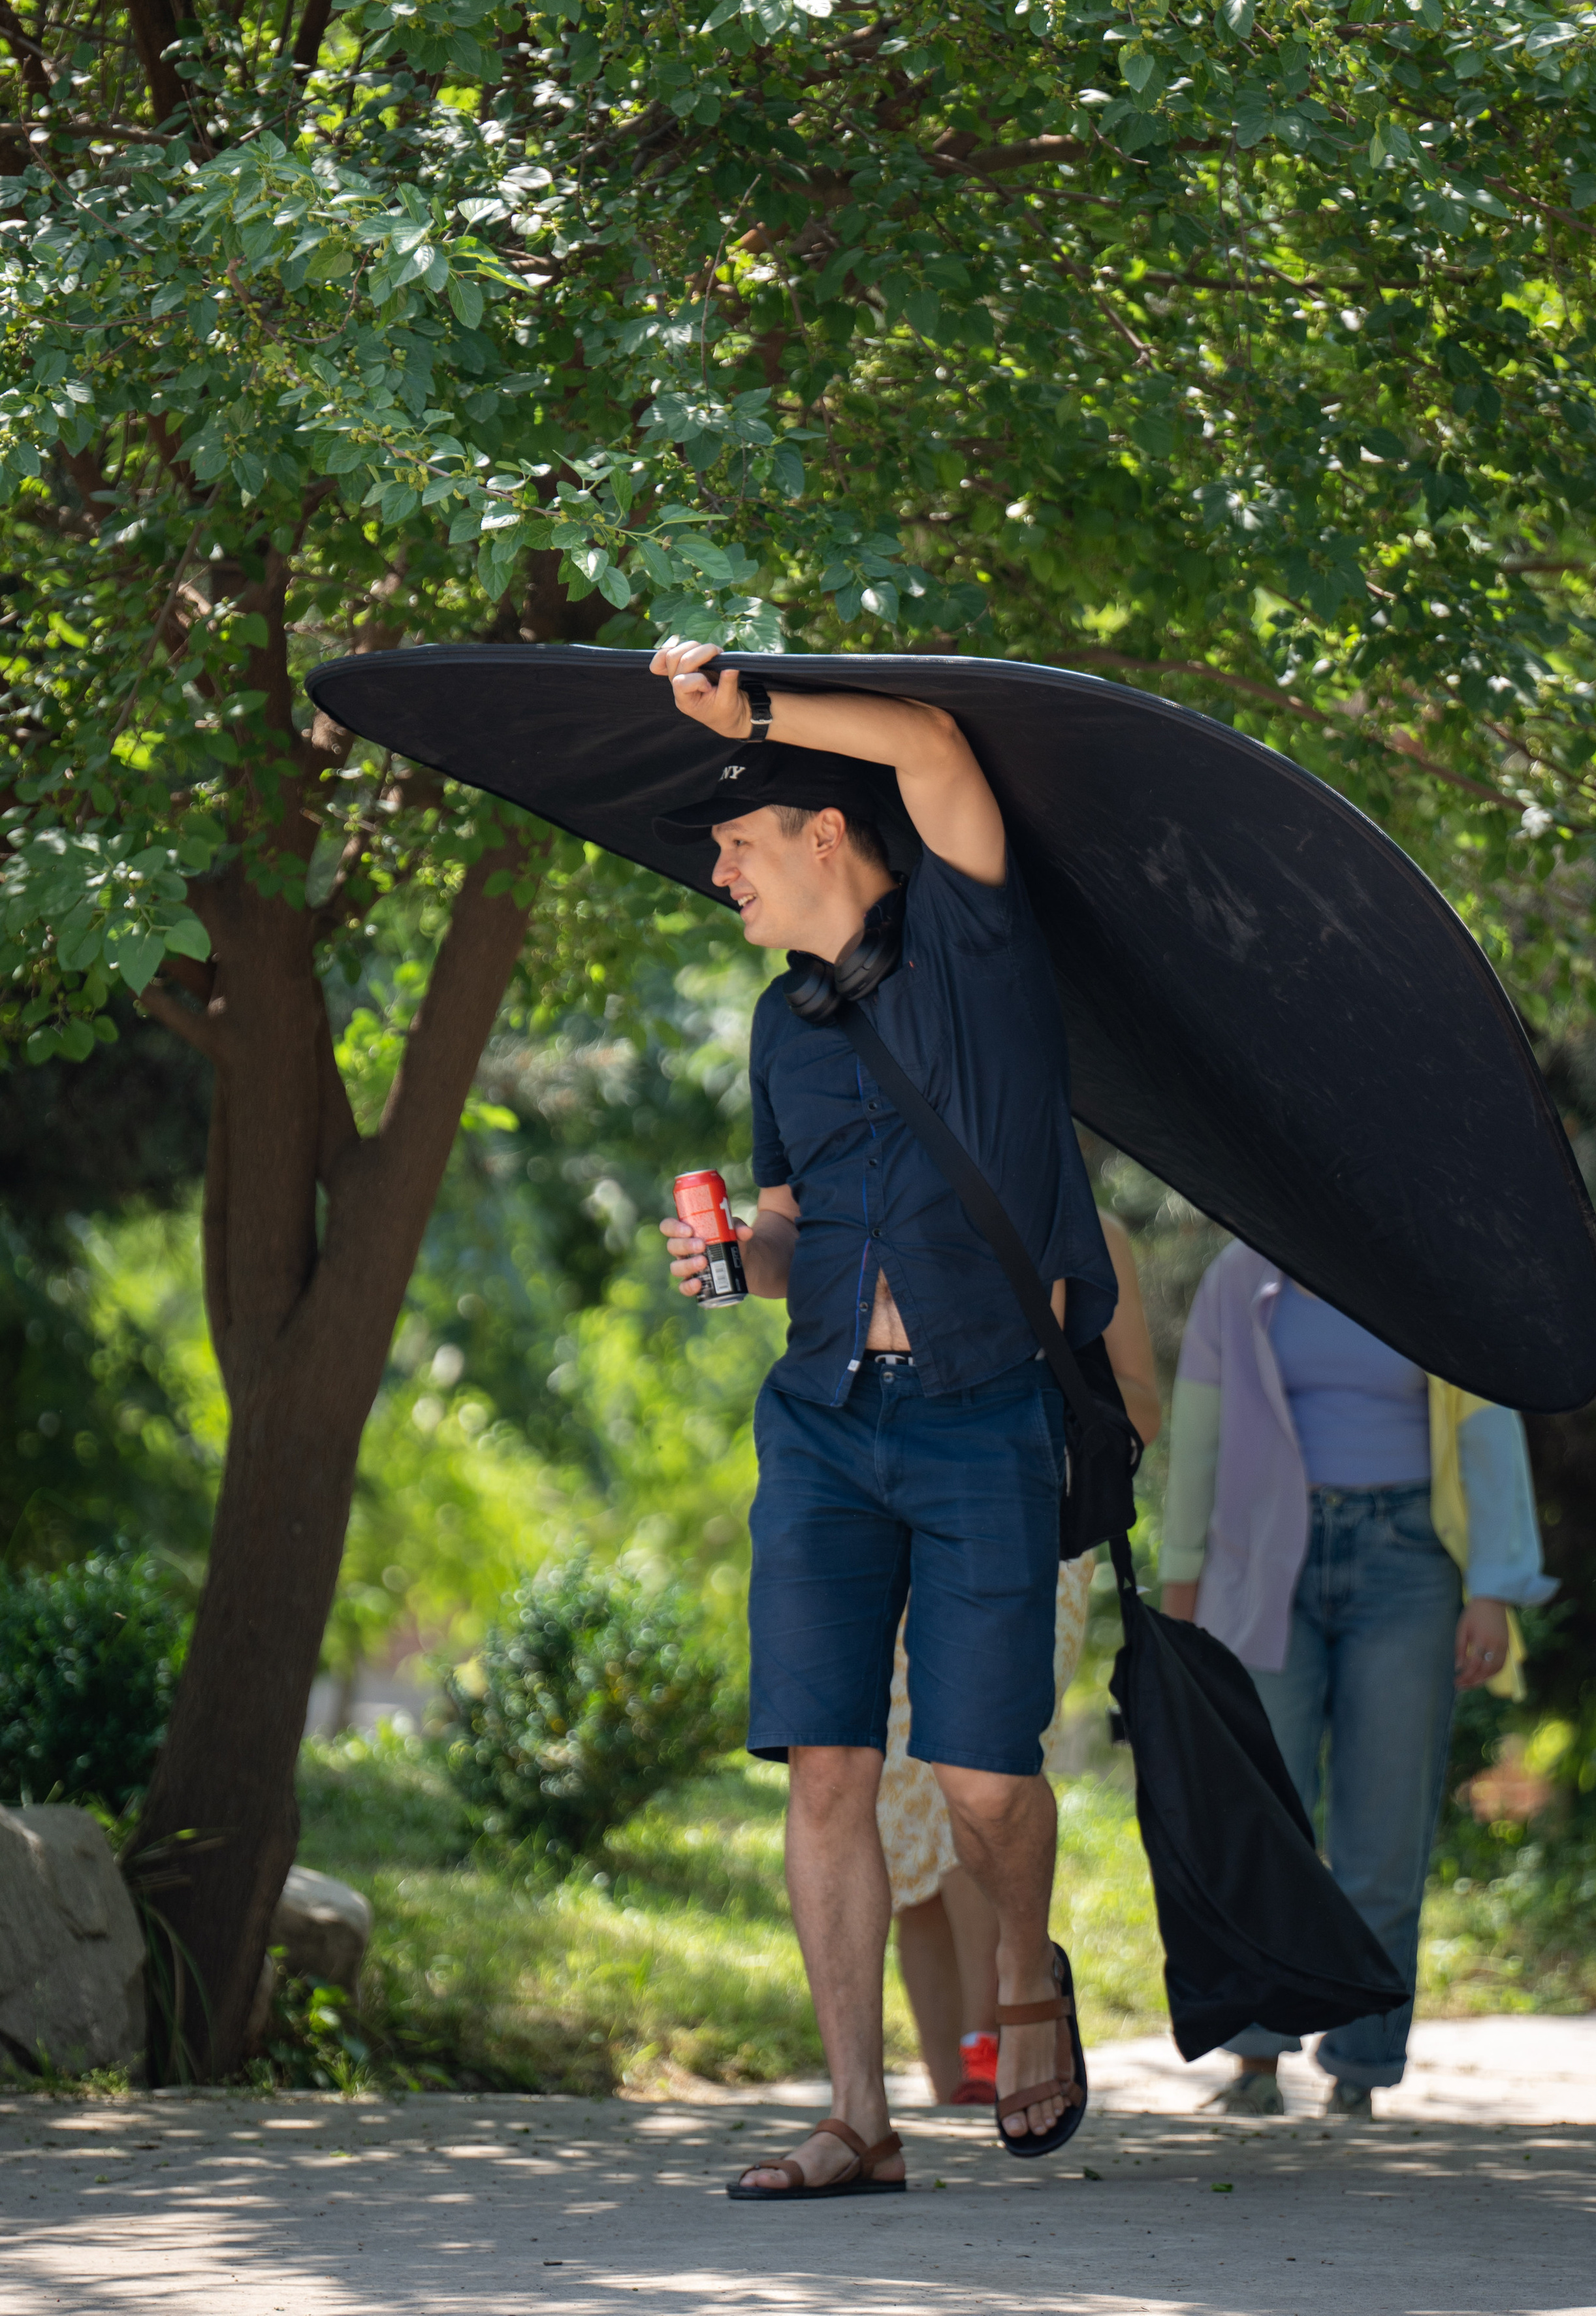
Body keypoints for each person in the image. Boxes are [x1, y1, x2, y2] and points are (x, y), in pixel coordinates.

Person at [652, 641, 1119, 2198]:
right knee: (828, 1768)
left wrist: (749, 705)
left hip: (981, 1418)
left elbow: (924, 742)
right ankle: (857, 2115)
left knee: (985, 1782)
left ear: (822, 836)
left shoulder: (975, 951)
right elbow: (786, 1221)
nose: (718, 872)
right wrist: (733, 1258)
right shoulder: (783, 1026)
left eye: (736, 842)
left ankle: (1023, 1979)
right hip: (823, 1425)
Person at [1159, 1240, 1557, 2119]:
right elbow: (1199, 1431)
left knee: (1384, 1836)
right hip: (1264, 1563)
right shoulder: (1239, 1276)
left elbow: (1487, 1425)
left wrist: (1493, 1587)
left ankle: (1361, 2073)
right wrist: (1181, 1584)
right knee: (1269, 1819)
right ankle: (1256, 2064)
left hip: (1407, 1563)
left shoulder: (1432, 1273)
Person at [880, 1212, 1161, 2104]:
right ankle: (948, 2071)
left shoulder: (1087, 1228)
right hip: (885, 1527)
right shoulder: (871, 1195)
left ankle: (1003, 2030)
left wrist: (1048, 1457)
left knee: (980, 1771)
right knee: (895, 1793)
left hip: (1026, 1527)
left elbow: (1139, 1402)